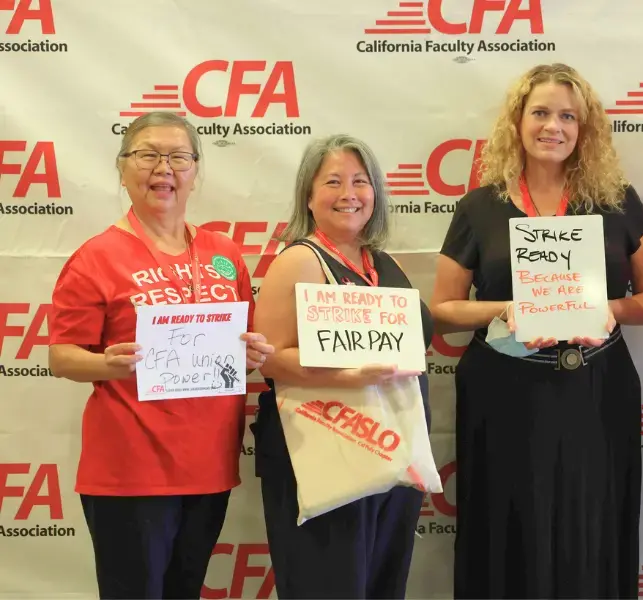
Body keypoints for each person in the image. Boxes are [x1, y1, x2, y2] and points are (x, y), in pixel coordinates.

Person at [430, 63, 643, 599]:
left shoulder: (618, 201)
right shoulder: (480, 207)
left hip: (596, 390)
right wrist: (509, 308)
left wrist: (607, 309)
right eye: (540, 112)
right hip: (504, 391)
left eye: (567, 116)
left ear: (585, 130)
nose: (552, 126)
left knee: (591, 526)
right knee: (508, 522)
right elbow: (442, 308)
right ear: (517, 121)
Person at [47, 111, 274, 600]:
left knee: (184, 591)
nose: (163, 169)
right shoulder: (97, 256)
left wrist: (253, 351)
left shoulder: (224, 253)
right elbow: (62, 357)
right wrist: (106, 364)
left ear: (196, 171)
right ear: (123, 167)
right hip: (131, 469)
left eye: (178, 157)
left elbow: (244, 338)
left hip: (209, 463)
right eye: (148, 155)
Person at [250, 134, 432, 599]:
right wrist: (347, 376)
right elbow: (269, 359)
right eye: (332, 181)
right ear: (309, 197)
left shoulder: (383, 262)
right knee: (328, 584)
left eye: (360, 181)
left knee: (381, 583)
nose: (348, 193)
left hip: (391, 450)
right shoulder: (298, 260)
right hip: (326, 450)